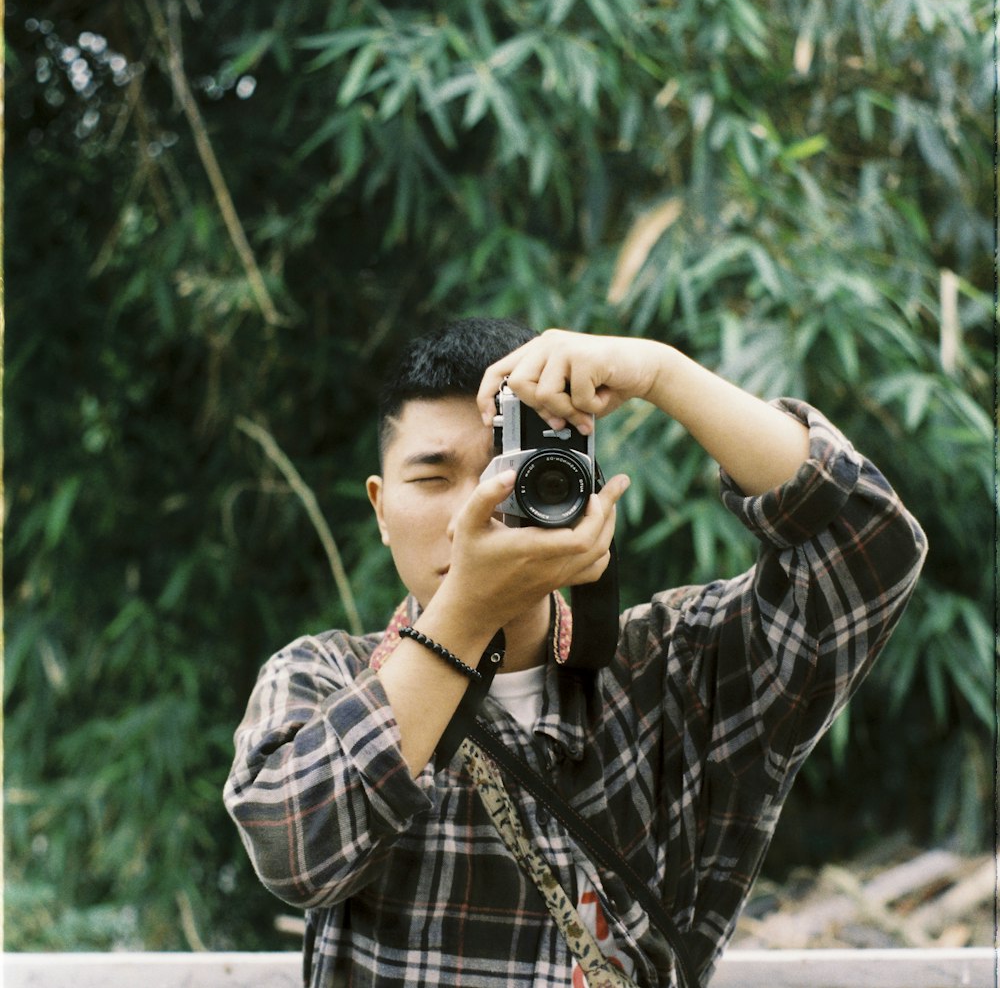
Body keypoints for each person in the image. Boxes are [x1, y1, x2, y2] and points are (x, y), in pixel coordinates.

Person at [224, 318, 927, 988]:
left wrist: (661, 372)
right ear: (380, 509)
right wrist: (466, 613)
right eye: (434, 479)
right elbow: (295, 852)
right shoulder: (320, 678)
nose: (479, 507)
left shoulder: (671, 672)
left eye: (510, 468)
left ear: (572, 482)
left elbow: (872, 549)